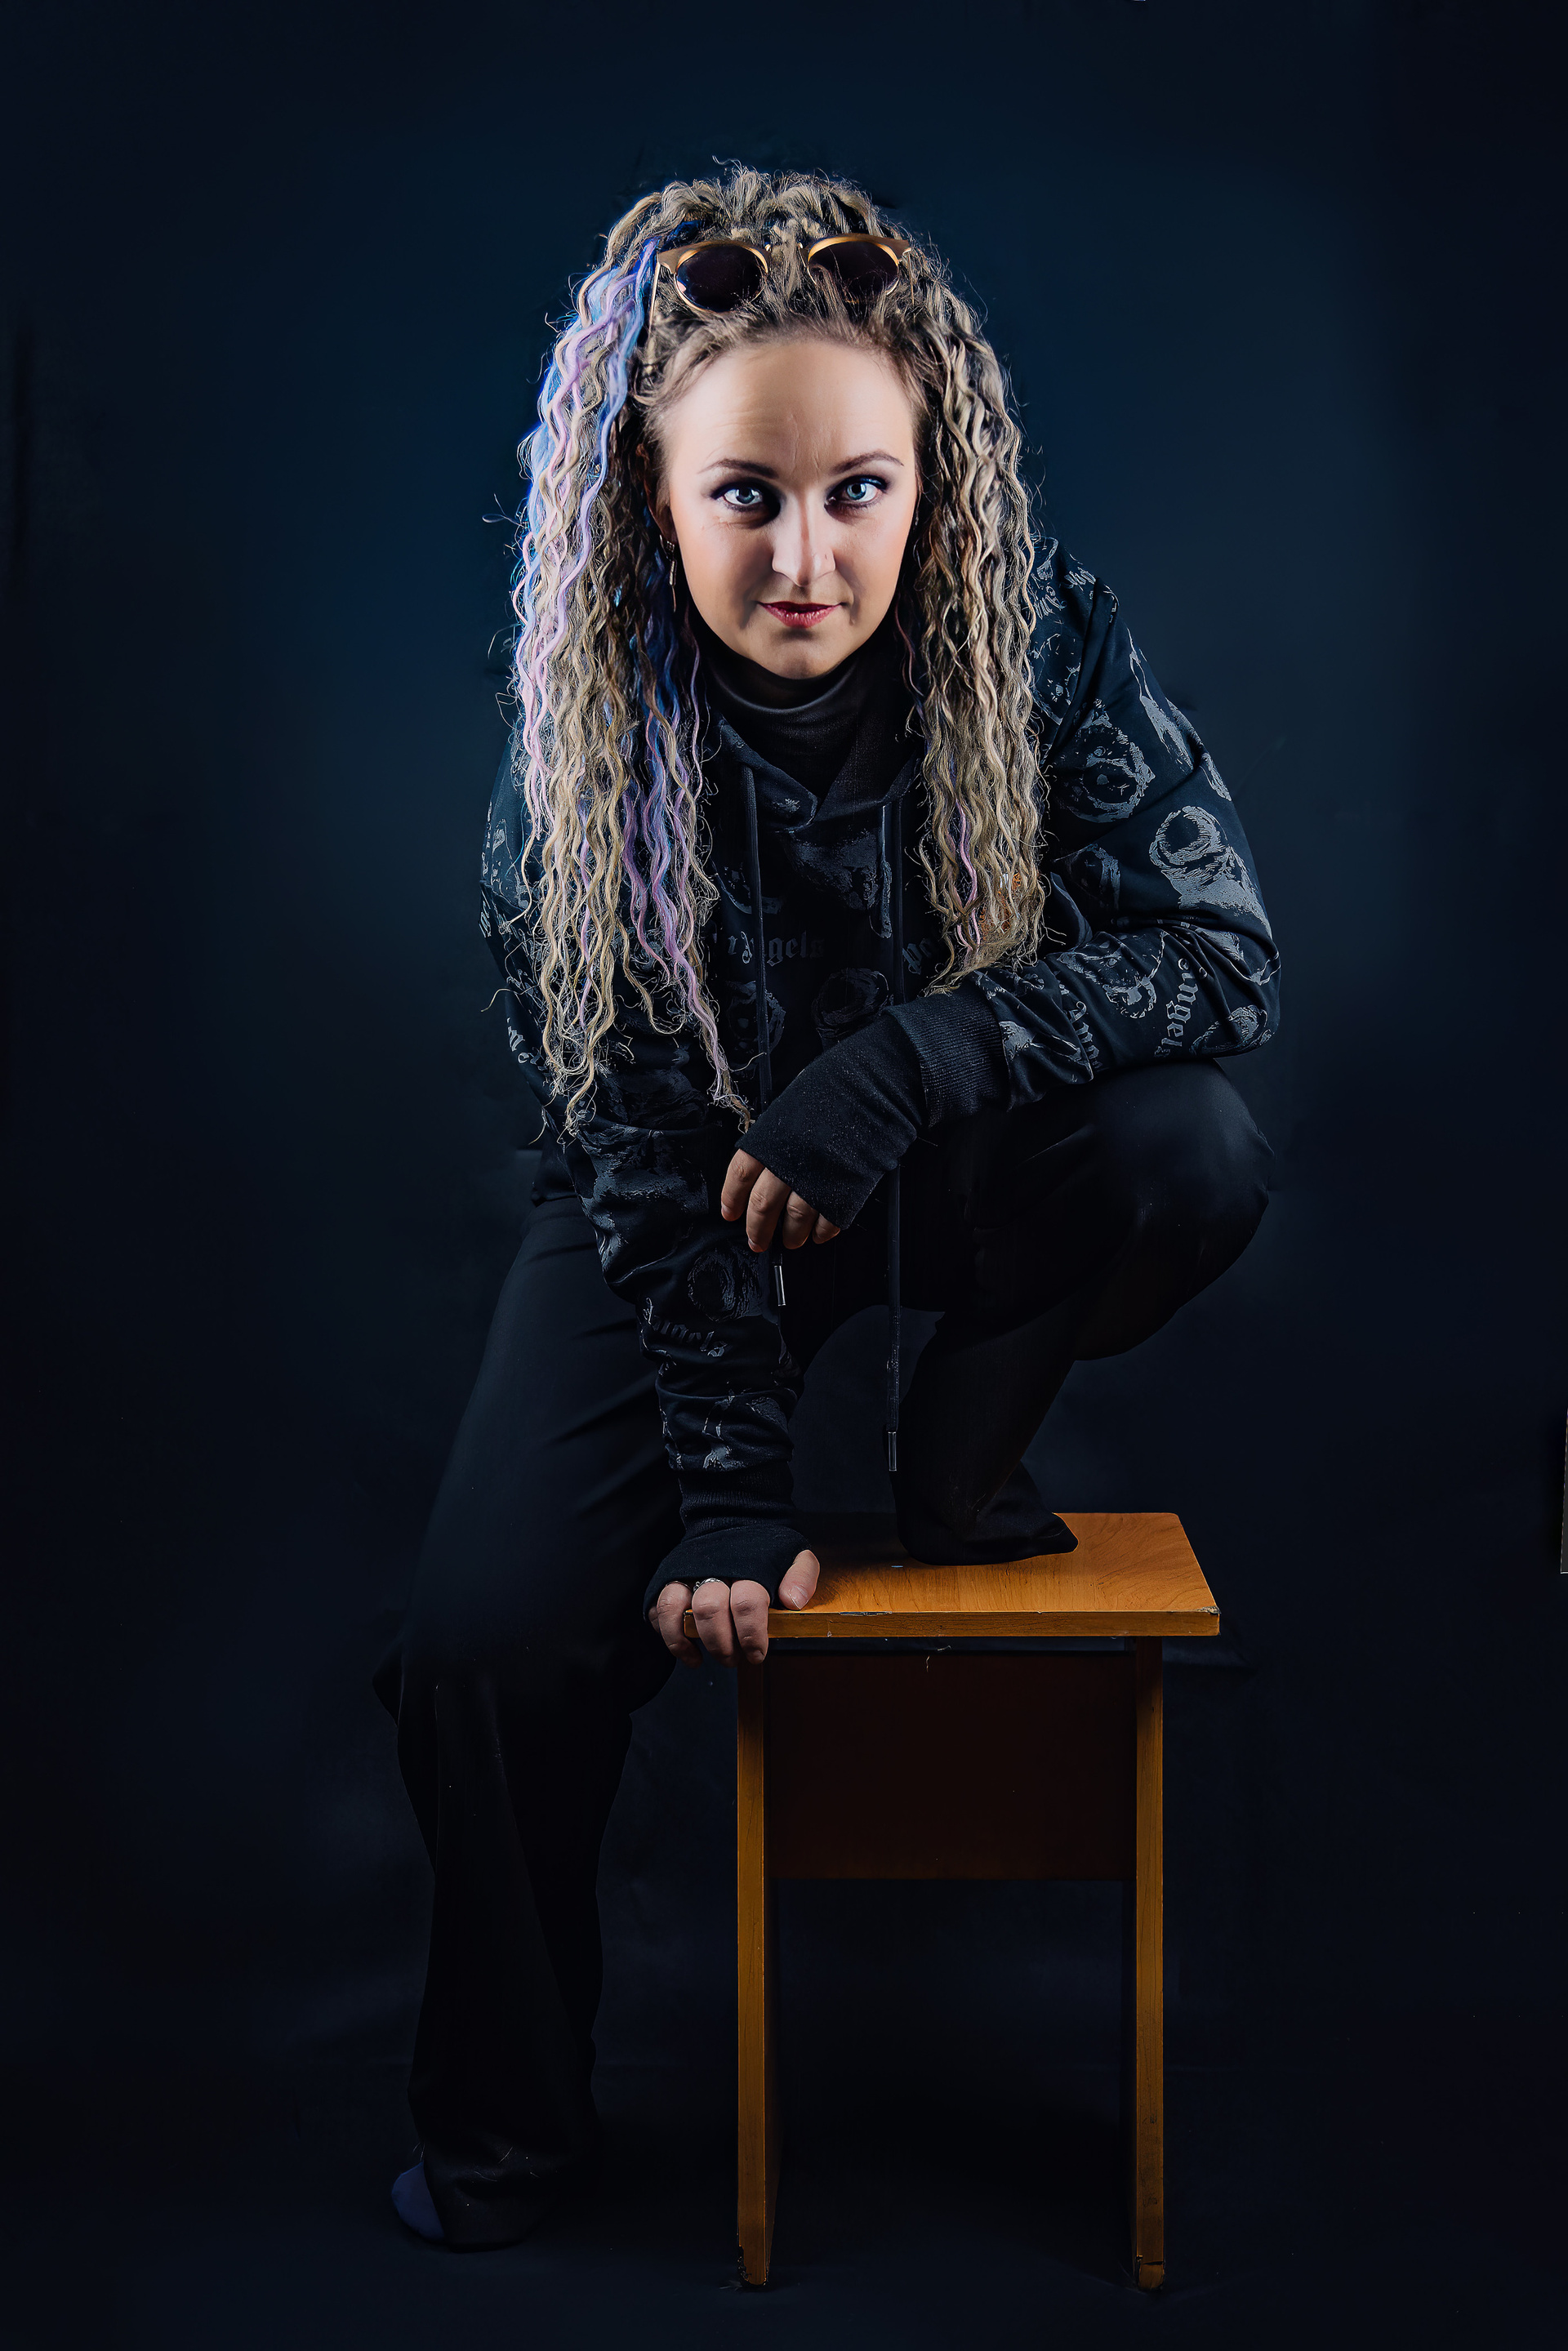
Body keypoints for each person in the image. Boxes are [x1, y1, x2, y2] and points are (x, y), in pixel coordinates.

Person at [375, 165, 1277, 2249]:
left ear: (927, 483)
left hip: (956, 1165)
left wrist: (912, 1062)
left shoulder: (1036, 634)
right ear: (653, 500)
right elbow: (619, 1124)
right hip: (688, 1215)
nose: (810, 555)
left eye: (860, 491)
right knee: (480, 1653)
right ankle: (511, 2135)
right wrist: (727, 1480)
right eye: (748, 498)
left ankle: (956, 1456)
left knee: (1194, 1150)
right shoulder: (579, 735)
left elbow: (1221, 958)